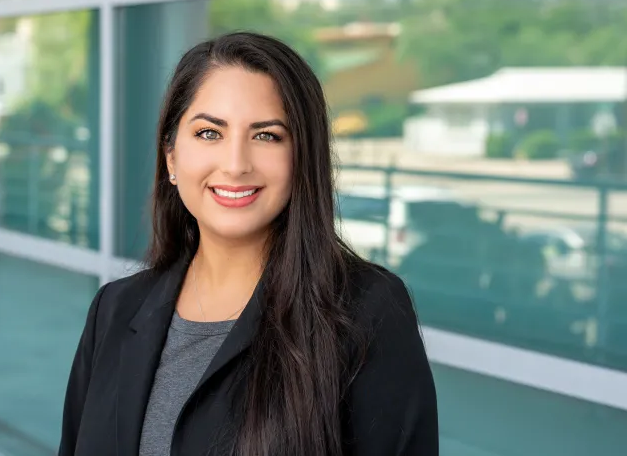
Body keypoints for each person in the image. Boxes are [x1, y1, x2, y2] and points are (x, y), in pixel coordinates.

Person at [58, 32, 438, 456]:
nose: (236, 164)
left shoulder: (367, 311)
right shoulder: (115, 309)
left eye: (266, 136)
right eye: (208, 133)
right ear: (171, 158)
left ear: (302, 159)